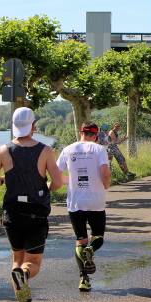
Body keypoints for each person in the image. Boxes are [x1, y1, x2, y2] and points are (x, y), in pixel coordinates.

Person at [0, 107, 63, 302]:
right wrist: (45, 187)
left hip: (12, 213)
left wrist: (4, 179)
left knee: (17, 261)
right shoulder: (45, 151)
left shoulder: (2, 151)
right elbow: (57, 182)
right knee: (32, 262)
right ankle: (25, 275)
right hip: (36, 213)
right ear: (33, 126)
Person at [57, 122, 111, 292]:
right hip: (95, 200)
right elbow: (105, 173)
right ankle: (91, 249)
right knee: (98, 235)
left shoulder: (68, 149)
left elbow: (57, 175)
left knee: (80, 240)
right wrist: (106, 184)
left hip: (75, 202)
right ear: (95, 136)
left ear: (80, 133)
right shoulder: (99, 149)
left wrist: (71, 180)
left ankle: (84, 280)